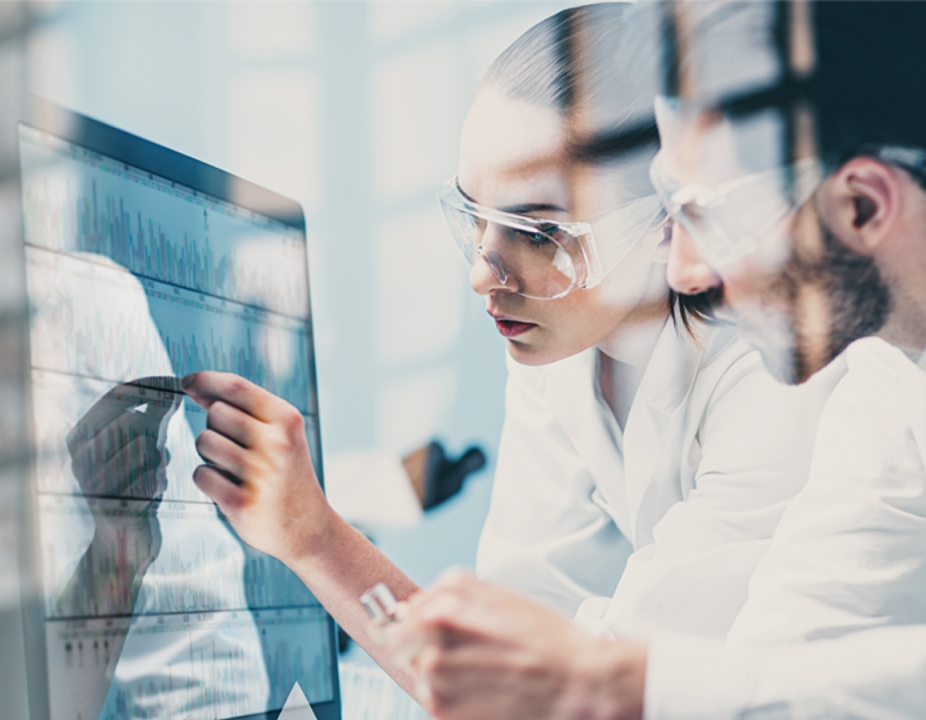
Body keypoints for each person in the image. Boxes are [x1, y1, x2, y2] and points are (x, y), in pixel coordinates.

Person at [378, 2, 926, 719]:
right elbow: (804, 640)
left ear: (863, 202)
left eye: (708, 216)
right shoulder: (901, 331)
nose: (687, 274)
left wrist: (616, 684)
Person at [182, 1, 835, 688]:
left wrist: (314, 538)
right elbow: (521, 630)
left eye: (540, 234)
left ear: (672, 221)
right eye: (475, 219)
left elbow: (558, 692)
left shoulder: (774, 377)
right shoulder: (561, 345)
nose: (481, 276)